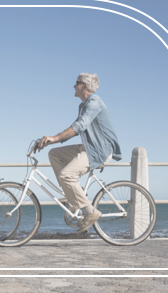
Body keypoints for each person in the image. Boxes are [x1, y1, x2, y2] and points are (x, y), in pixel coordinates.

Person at [35, 73, 122, 233]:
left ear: (85, 86)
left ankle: (90, 212)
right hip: (89, 147)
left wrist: (54, 137)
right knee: (54, 154)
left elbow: (79, 126)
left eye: (77, 83)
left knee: (66, 175)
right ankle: (73, 194)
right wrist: (51, 142)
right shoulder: (83, 105)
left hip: (99, 150)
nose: (74, 86)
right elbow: (76, 128)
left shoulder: (94, 102)